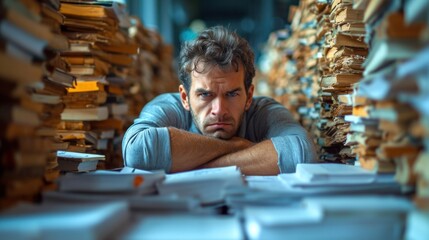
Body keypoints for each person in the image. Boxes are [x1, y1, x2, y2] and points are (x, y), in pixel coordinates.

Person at [122, 26, 316, 175]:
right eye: (205, 95)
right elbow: (136, 151)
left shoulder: (264, 111)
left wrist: (190, 162)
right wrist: (238, 146)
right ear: (185, 98)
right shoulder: (168, 107)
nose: (219, 110)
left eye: (232, 94)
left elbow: (303, 153)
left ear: (249, 97)